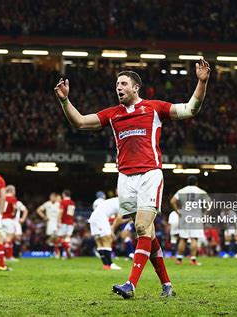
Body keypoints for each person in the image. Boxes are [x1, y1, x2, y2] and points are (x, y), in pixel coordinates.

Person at [54, 58, 210, 299]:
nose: (119, 87)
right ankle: (167, 285)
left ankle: (131, 285)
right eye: (117, 84)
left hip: (149, 173)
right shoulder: (113, 114)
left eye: (123, 83)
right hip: (125, 177)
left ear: (136, 87)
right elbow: (80, 122)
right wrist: (65, 100)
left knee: (140, 226)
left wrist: (202, 81)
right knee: (147, 233)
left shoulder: (154, 108)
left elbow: (191, 109)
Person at [170, 175, 208, 266]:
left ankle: (179, 259)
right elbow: (208, 203)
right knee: (194, 238)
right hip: (196, 216)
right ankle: (193, 260)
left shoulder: (182, 191)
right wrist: (204, 213)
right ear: (196, 183)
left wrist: (178, 212)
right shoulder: (200, 191)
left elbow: (172, 201)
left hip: (184, 216)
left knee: (183, 238)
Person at [88, 196, 123, 270]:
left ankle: (106, 265)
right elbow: (119, 218)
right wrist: (113, 228)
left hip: (93, 217)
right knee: (107, 240)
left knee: (99, 242)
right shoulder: (123, 203)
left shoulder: (114, 200)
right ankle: (110, 264)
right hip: (101, 218)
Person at [36, 192, 61, 257]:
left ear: (55, 197)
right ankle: (55, 251)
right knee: (54, 237)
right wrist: (44, 217)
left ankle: (56, 252)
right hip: (50, 222)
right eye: (50, 197)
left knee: (56, 237)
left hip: (57, 222)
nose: (51, 198)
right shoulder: (47, 204)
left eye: (53, 197)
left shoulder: (59, 204)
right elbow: (38, 210)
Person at [56, 189, 75, 259]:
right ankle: (68, 253)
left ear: (63, 194)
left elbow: (61, 212)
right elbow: (71, 213)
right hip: (71, 222)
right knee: (67, 238)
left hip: (64, 222)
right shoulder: (72, 202)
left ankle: (61, 254)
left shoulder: (63, 202)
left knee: (60, 238)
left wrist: (58, 221)